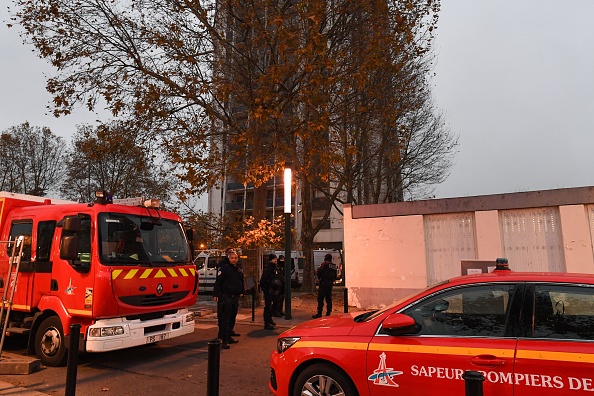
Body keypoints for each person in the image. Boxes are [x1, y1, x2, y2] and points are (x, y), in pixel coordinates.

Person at [213, 251, 245, 349]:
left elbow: (241, 281)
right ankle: (224, 340)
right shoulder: (224, 268)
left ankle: (229, 336)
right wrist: (216, 294)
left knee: (232, 317)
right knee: (225, 319)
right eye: (232, 258)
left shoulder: (238, 269)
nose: (234, 260)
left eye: (235, 258)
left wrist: (242, 291)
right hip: (226, 296)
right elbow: (218, 282)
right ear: (229, 258)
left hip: (234, 297)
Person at [312, 253, 339, 319]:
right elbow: (335, 276)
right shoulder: (334, 266)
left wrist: (319, 278)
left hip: (323, 283)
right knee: (329, 299)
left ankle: (319, 313)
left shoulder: (324, 264)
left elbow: (318, 271)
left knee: (320, 299)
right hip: (330, 284)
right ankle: (328, 313)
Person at [260, 253, 280, 330]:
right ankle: (266, 322)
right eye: (274, 259)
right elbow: (263, 280)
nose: (275, 260)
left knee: (275, 304)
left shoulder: (276, 268)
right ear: (270, 260)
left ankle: (269, 318)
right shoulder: (268, 269)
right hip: (269, 289)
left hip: (275, 289)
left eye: (276, 259)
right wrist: (265, 287)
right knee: (268, 306)